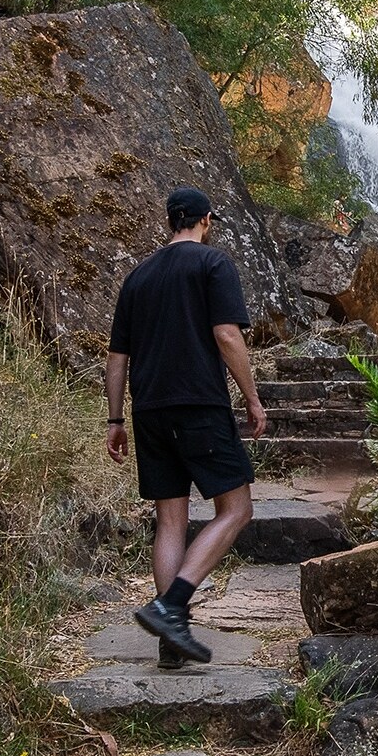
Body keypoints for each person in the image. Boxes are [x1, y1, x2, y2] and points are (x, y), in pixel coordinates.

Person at [105, 186, 268, 664]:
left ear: (170, 222)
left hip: (149, 409)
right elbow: (226, 334)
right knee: (236, 510)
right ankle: (172, 606)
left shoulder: (138, 277)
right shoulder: (213, 264)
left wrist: (116, 419)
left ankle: (169, 642)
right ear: (206, 220)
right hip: (198, 404)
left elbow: (117, 359)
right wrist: (252, 397)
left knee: (170, 519)